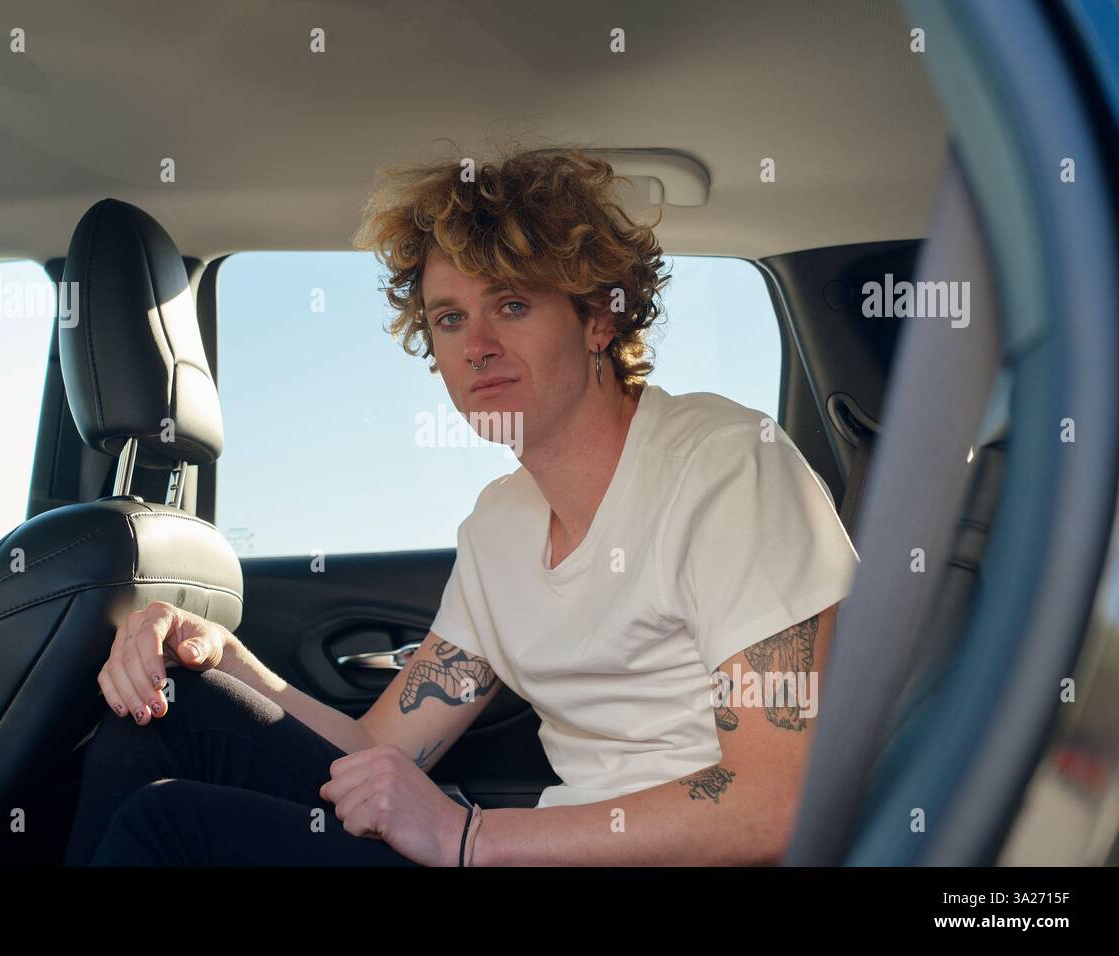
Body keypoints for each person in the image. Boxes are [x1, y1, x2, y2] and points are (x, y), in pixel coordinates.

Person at [63, 145, 859, 866]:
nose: (475, 344)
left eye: (511, 305)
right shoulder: (499, 524)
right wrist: (224, 655)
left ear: (598, 316)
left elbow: (777, 804)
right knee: (167, 717)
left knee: (168, 829)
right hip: (531, 853)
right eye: (449, 319)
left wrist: (467, 837)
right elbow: (379, 751)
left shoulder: (725, 465)